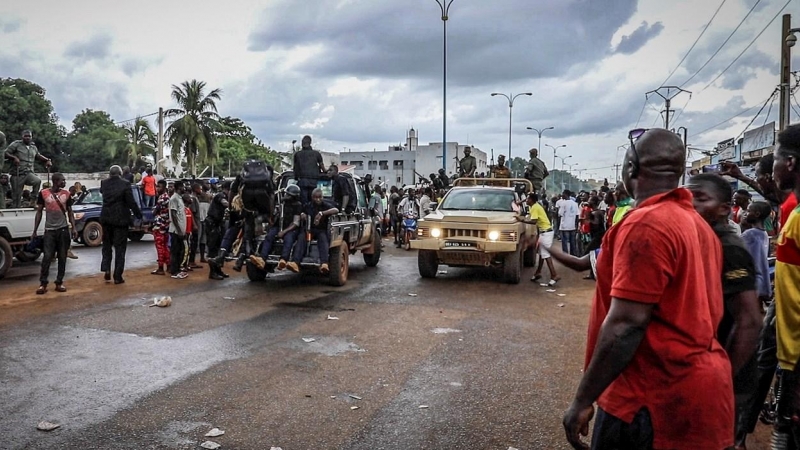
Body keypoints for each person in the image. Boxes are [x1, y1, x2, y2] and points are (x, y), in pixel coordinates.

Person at [561, 129, 733, 450]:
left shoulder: (647, 224)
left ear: (631, 169)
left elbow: (627, 324)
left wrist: (583, 400)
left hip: (651, 400)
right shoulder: (696, 224)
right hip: (699, 394)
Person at [687, 173, 762, 447]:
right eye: (688, 197)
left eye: (701, 199)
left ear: (724, 209)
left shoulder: (729, 248)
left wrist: (722, 378)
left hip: (727, 376)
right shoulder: (698, 237)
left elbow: (750, 322)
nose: (691, 204)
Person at [768, 124, 800, 444]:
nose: (772, 166)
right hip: (791, 357)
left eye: (776, 158)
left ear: (790, 163)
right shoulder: (794, 215)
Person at [31, 173, 77, 294]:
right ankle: (43, 284)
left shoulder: (67, 194)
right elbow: (39, 212)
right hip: (49, 231)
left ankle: (59, 282)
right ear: (56, 181)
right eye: (62, 180)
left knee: (62, 257)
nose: (64, 182)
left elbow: (70, 212)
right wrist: (35, 230)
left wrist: (73, 228)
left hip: (63, 230)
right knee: (47, 257)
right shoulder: (44, 193)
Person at [99, 165, 143, 285]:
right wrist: (138, 215)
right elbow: (131, 202)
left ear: (110, 174)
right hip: (121, 220)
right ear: (120, 173)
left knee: (107, 246)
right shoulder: (125, 184)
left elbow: (102, 192)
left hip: (106, 218)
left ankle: (106, 269)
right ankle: (117, 276)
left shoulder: (104, 183)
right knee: (120, 248)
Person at [250, 184, 304, 273]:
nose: (286, 196)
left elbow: (296, 223)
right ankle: (262, 259)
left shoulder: (298, 205)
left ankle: (283, 259)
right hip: (279, 226)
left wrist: (284, 232)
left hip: (290, 228)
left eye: (288, 195)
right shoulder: (281, 203)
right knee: (269, 236)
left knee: (288, 239)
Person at [519, 193, 559, 285]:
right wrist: (521, 201)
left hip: (546, 232)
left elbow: (533, 221)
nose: (526, 200)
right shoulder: (534, 206)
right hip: (545, 232)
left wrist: (521, 220)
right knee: (542, 254)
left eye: (528, 199)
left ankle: (554, 275)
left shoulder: (535, 208)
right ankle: (538, 272)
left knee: (546, 255)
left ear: (532, 200)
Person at [5, 130, 52, 208]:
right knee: (17, 194)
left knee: (37, 181)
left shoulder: (33, 147)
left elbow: (38, 155)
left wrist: (47, 160)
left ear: (31, 137)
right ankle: (16, 208)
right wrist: (14, 157)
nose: (27, 138)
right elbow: (6, 153)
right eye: (25, 136)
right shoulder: (16, 144)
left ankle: (33, 201)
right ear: (22, 137)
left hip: (29, 172)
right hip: (18, 173)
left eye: (29, 136)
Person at [300, 188, 338, 274]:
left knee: (323, 239)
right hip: (309, 229)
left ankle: (324, 263)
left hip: (321, 230)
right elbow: (301, 211)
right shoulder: (308, 205)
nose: (318, 199)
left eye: (319, 197)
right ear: (312, 197)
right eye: (315, 197)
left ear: (322, 197)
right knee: (302, 238)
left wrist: (322, 213)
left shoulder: (325, 205)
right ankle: (295, 261)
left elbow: (336, 210)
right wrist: (302, 214)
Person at [742, 201, 773, 305]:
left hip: (751, 279)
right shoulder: (763, 233)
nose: (745, 213)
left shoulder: (749, 235)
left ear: (757, 214)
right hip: (761, 278)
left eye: (748, 211)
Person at [205, 180, 230, 280]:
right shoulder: (220, 195)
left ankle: (218, 270)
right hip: (212, 224)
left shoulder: (223, 195)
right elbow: (225, 203)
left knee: (219, 248)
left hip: (217, 225)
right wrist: (235, 205)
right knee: (212, 249)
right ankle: (212, 272)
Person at [293, 135, 325, 205]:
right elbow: (321, 165)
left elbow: (295, 168)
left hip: (302, 181)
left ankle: (305, 212)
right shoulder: (316, 154)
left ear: (302, 143)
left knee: (303, 202)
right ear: (310, 143)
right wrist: (325, 172)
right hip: (313, 181)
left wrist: (296, 177)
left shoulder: (298, 154)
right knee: (313, 201)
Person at [168, 182, 188, 280]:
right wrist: (179, 230)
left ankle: (178, 270)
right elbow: (173, 214)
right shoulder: (174, 199)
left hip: (180, 230)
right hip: (176, 231)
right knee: (175, 251)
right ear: (179, 187)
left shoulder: (179, 198)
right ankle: (174, 271)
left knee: (180, 250)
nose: (184, 188)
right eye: (183, 187)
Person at [150, 180, 171, 275]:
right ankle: (169, 265)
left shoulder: (162, 198)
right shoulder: (168, 197)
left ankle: (161, 268)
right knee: (166, 246)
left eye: (159, 187)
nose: (157, 188)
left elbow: (154, 212)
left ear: (164, 187)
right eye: (157, 186)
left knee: (160, 247)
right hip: (166, 225)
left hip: (159, 225)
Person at [556, 190, 578, 256]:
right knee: (572, 242)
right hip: (572, 226)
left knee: (565, 242)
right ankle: (573, 255)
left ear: (566, 194)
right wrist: (576, 225)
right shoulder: (575, 203)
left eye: (563, 194)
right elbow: (577, 215)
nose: (562, 195)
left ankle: (565, 256)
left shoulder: (563, 203)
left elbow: (560, 214)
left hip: (564, 226)